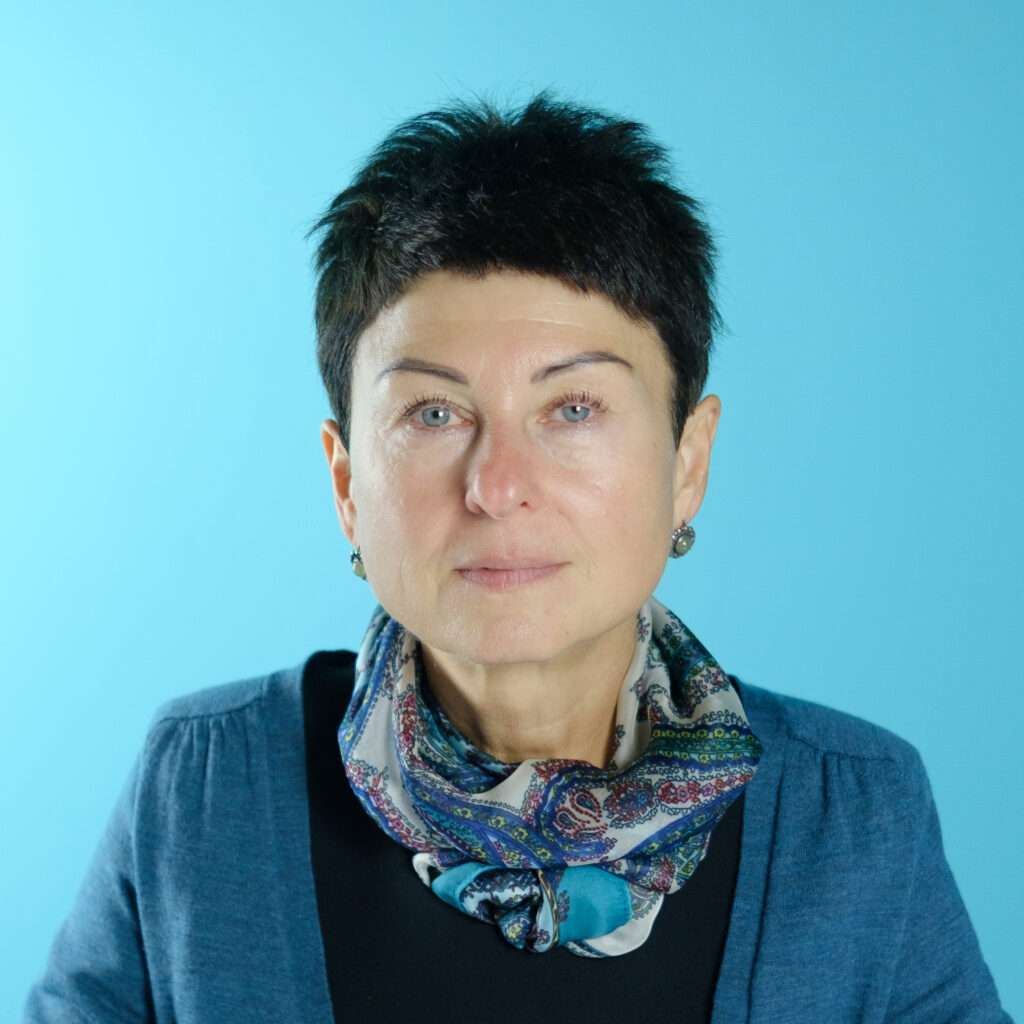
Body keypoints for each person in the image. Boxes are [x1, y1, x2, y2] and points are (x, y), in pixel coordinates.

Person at [24, 95, 1011, 1023]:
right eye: (433, 412)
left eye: (572, 408)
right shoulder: (205, 787)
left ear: (687, 463)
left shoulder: (854, 815)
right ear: (345, 482)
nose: (497, 486)